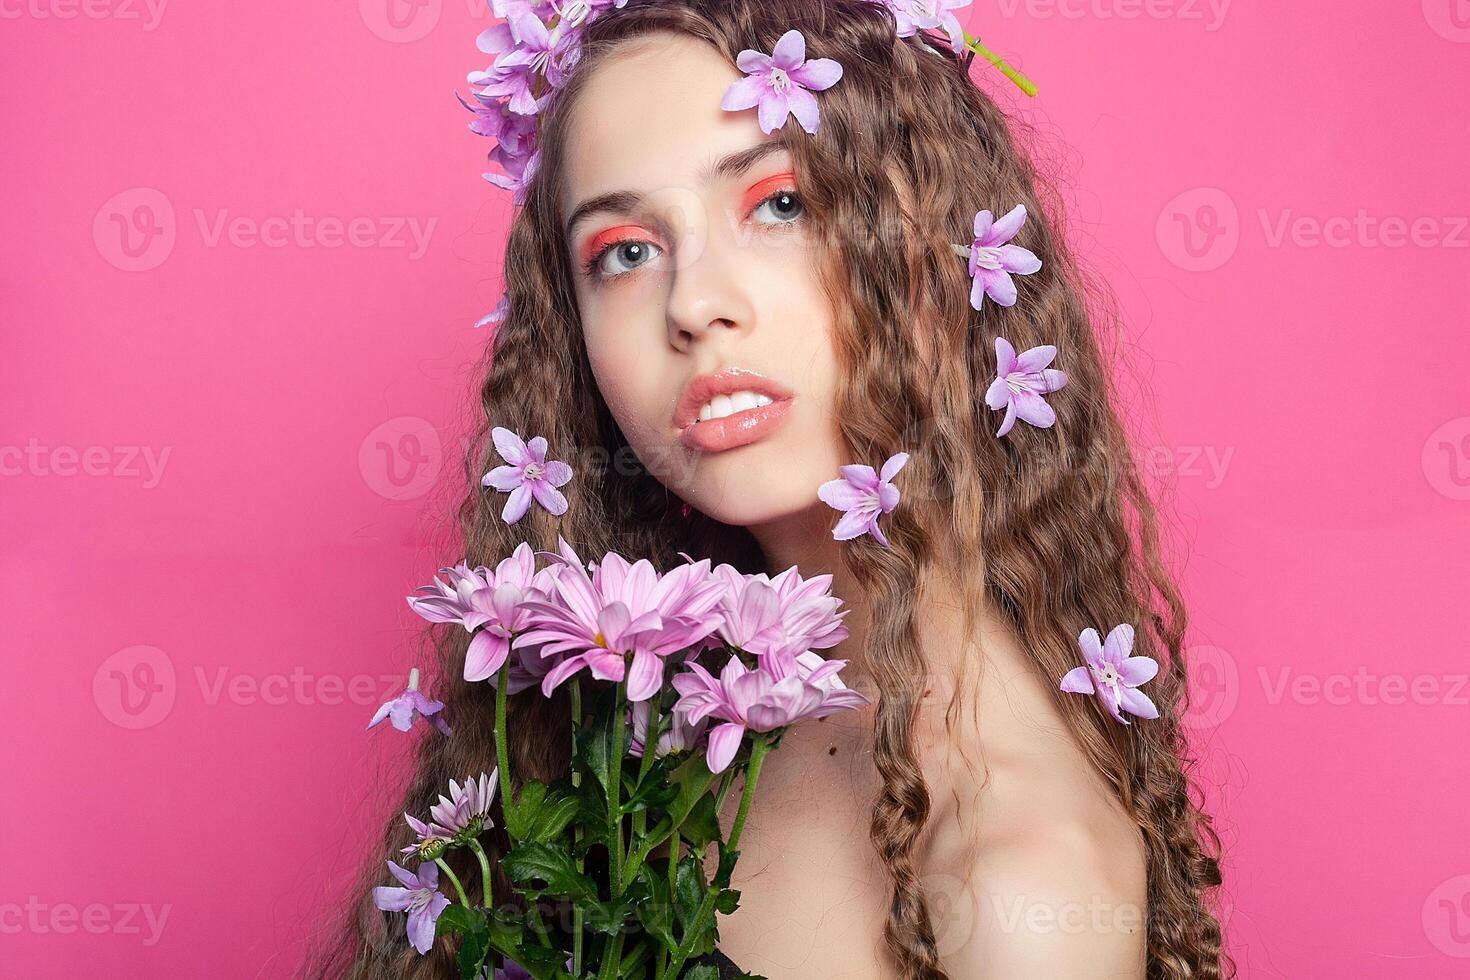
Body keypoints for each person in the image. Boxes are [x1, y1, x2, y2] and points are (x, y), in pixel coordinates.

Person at [308, 0, 1231, 976]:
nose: (695, 304)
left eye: (780, 203)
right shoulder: (645, 725)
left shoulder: (1020, 883)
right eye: (625, 250)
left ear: (942, 245)